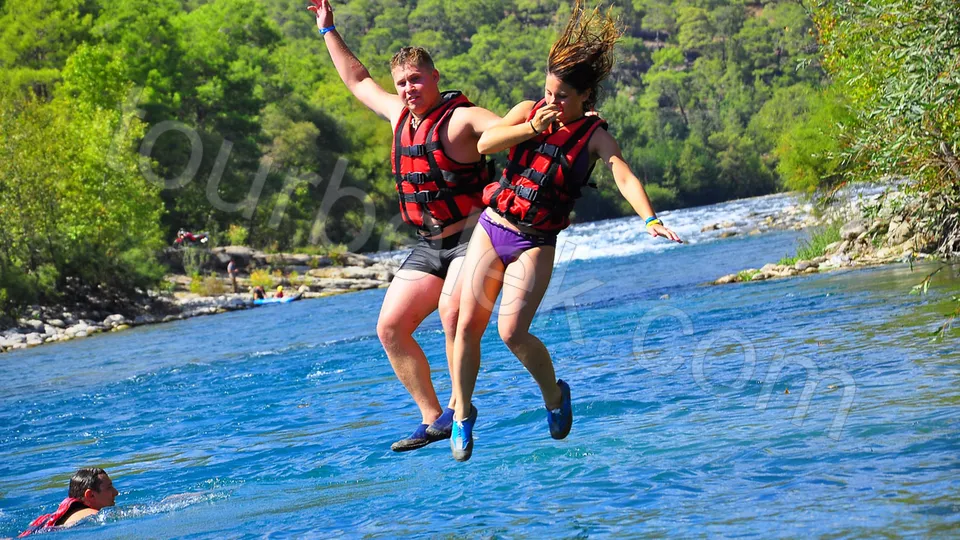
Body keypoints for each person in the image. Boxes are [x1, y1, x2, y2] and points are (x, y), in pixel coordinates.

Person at [448, 0, 683, 461]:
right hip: (495, 224)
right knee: (464, 322)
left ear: (585, 98)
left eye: (562, 97)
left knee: (512, 332)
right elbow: (485, 143)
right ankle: (462, 416)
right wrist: (529, 127)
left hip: (536, 240)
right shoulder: (529, 111)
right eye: (549, 91)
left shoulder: (594, 137)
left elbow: (622, 173)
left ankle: (554, 397)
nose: (553, 101)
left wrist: (650, 218)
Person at [307, 0, 502, 451]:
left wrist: (546, 120)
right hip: (430, 243)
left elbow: (506, 130)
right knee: (390, 328)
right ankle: (432, 415)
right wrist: (327, 30)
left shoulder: (462, 119)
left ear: (435, 78)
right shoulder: (399, 116)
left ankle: (460, 409)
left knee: (453, 316)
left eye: (416, 79)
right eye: (402, 83)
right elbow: (357, 79)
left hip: (474, 238)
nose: (408, 88)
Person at [19, 468, 118, 537]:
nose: (116, 492)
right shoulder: (93, 515)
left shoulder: (61, 517)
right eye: (109, 487)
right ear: (90, 495)